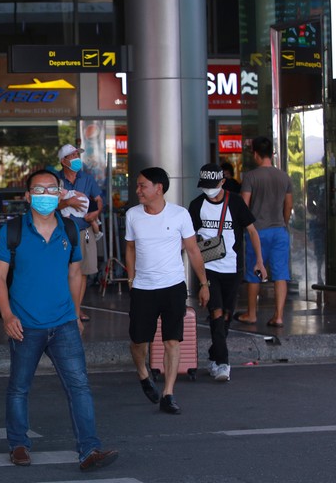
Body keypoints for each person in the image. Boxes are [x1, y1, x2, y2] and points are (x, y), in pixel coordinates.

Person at [0, 169, 118, 472]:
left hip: (63, 324)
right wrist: (7, 315)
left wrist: (76, 313)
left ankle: (89, 449)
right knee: (20, 388)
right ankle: (18, 444)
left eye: (52, 190)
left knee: (79, 387)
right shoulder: (12, 231)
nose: (45, 196)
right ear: (27, 196)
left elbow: (75, 274)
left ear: (61, 194)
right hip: (25, 325)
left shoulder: (71, 229)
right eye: (38, 190)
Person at [125, 167, 209, 415]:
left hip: (173, 286)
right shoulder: (132, 215)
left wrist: (204, 284)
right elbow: (129, 248)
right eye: (138, 185)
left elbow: (193, 251)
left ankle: (168, 393)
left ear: (158, 188)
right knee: (139, 341)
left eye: (142, 185)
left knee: (172, 340)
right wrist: (131, 279)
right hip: (143, 288)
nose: (138, 190)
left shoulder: (180, 214)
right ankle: (143, 373)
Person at [188, 163, 265, 382]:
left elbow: (252, 231)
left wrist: (258, 261)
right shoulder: (196, 205)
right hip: (208, 269)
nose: (208, 190)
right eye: (205, 186)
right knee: (217, 313)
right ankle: (223, 363)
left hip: (233, 268)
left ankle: (214, 355)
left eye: (213, 185)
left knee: (226, 317)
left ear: (223, 182)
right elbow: (188, 237)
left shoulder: (236, 202)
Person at [234, 136, 293, 327]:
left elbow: (244, 204)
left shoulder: (251, 177)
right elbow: (289, 203)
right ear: (272, 154)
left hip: (257, 232)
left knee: (254, 272)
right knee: (281, 274)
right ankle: (279, 316)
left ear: (256, 155)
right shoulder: (284, 176)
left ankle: (251, 314)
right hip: (279, 231)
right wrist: (283, 222)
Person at [56, 144, 103, 322]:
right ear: (63, 161)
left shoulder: (87, 178)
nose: (76, 158)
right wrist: (69, 203)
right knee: (65, 271)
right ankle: (66, 309)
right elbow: (52, 206)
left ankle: (76, 309)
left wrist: (96, 212)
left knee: (82, 272)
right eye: (72, 155)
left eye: (77, 155)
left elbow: (98, 200)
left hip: (85, 230)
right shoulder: (57, 180)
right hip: (63, 231)